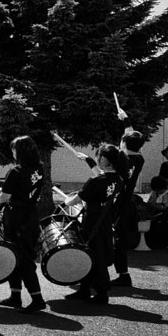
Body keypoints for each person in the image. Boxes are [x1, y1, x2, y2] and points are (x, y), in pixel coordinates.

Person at [62, 144, 124, 304]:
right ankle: (84, 289)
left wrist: (67, 200)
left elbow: (75, 200)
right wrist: (89, 161)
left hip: (92, 222)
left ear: (104, 159)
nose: (98, 159)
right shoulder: (118, 179)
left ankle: (102, 293)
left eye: (98, 156)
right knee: (96, 254)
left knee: (95, 255)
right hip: (105, 221)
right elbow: (102, 178)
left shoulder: (96, 181)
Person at [0, 136, 47, 313]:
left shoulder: (16, 171)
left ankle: (37, 299)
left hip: (16, 217)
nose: (13, 153)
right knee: (17, 256)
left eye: (14, 150)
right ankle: (15, 296)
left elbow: (4, 197)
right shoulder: (39, 169)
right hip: (30, 216)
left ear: (21, 152)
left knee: (22, 258)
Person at [110, 125, 145, 287]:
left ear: (123, 143)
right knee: (119, 240)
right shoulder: (139, 159)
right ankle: (123, 275)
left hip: (118, 204)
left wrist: (89, 161)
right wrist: (125, 120)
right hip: (127, 204)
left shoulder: (120, 159)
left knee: (117, 240)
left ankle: (123, 276)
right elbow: (131, 137)